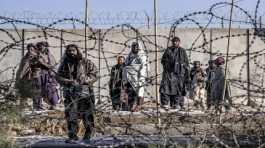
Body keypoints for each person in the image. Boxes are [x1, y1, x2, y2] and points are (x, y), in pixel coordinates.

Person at [57, 44, 98, 142]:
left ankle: (89, 134)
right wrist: (69, 81)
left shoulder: (86, 62)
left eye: (73, 50)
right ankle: (72, 136)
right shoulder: (64, 64)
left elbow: (94, 74)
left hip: (84, 93)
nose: (71, 52)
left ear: (77, 51)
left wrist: (84, 80)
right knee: (71, 115)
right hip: (70, 93)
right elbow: (58, 77)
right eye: (69, 51)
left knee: (87, 115)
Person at [160, 37, 190, 110]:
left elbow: (186, 63)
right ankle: (165, 104)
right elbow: (163, 60)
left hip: (179, 74)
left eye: (176, 42)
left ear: (179, 42)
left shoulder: (182, 51)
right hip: (169, 73)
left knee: (178, 89)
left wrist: (183, 70)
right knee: (166, 88)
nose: (175, 43)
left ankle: (176, 104)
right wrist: (169, 64)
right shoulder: (168, 50)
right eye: (173, 41)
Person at [33, 41, 60, 111]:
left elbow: (52, 65)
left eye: (42, 46)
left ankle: (53, 104)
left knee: (50, 89)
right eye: (39, 46)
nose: (41, 48)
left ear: (45, 47)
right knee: (37, 90)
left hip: (48, 75)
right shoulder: (35, 55)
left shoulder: (49, 55)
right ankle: (37, 106)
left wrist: (44, 63)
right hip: (38, 75)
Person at [123, 41, 149, 112]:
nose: (135, 48)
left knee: (139, 91)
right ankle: (131, 106)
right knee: (130, 92)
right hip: (129, 77)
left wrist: (141, 76)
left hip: (138, 77)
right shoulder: (129, 56)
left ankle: (138, 105)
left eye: (136, 46)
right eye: (133, 46)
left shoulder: (142, 56)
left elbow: (144, 67)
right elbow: (126, 65)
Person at [15, 43, 40, 109]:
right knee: (23, 91)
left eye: (31, 49)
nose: (30, 50)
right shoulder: (25, 57)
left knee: (33, 92)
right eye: (28, 49)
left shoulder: (37, 57)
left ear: (34, 50)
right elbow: (21, 67)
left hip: (33, 77)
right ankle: (23, 106)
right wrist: (19, 76)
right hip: (24, 77)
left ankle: (34, 106)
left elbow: (38, 68)